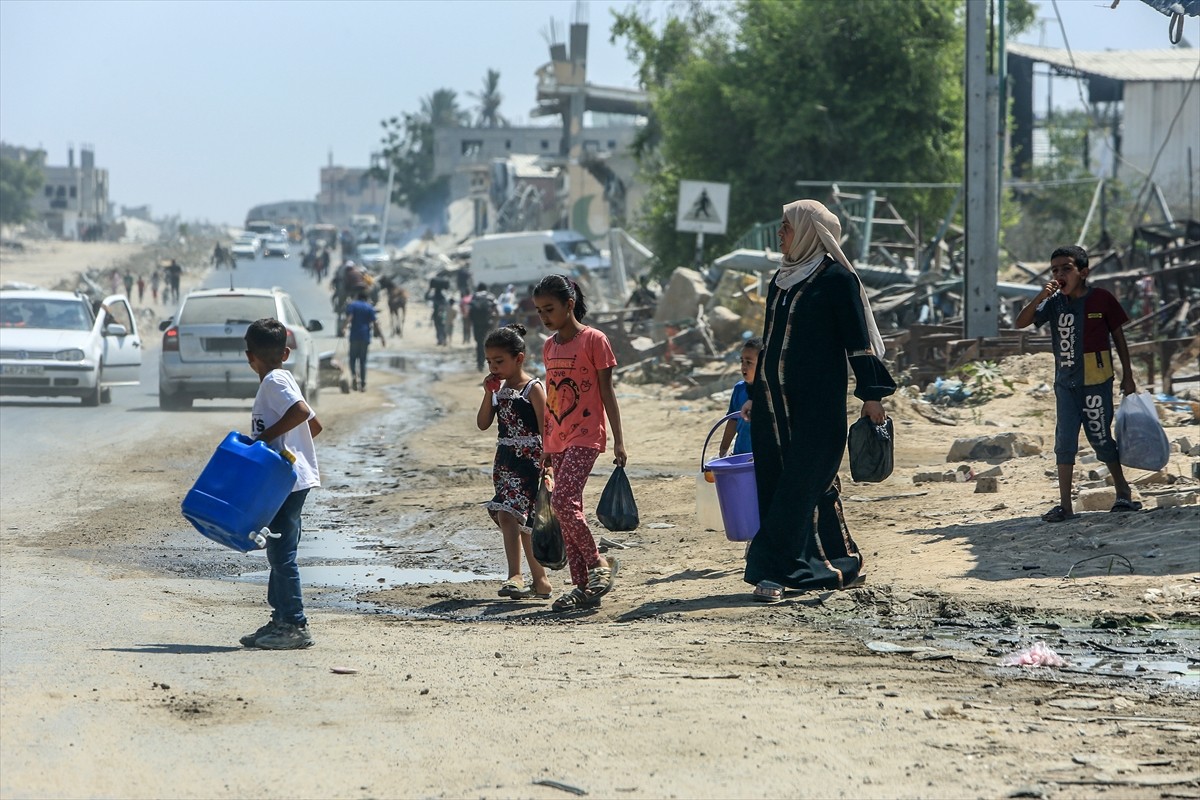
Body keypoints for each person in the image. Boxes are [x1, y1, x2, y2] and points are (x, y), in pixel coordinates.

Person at [742, 199, 896, 602]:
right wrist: (757, 395)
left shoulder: (837, 279)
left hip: (817, 408)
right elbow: (770, 342)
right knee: (787, 486)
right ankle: (840, 560)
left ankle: (771, 572)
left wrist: (872, 396)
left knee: (799, 485)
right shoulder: (781, 280)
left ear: (810, 231)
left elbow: (858, 343)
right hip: (774, 408)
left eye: (786, 227)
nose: (780, 234)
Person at [1014, 245, 1139, 522]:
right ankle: (1065, 506)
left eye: (1066, 269)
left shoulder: (1102, 299)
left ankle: (1123, 493)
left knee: (1101, 437)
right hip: (1065, 384)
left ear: (1083, 272)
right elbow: (1021, 322)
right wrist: (1040, 296)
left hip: (1097, 381)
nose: (1059, 274)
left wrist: (1127, 375)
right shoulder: (1054, 303)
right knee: (1065, 441)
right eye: (1055, 270)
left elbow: (1119, 338)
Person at [533, 274, 626, 612]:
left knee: (564, 500)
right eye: (540, 311)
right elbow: (552, 398)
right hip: (558, 437)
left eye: (550, 309)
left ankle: (598, 563)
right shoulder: (549, 346)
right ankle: (581, 586)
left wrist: (618, 440)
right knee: (566, 509)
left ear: (569, 305)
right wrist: (546, 443)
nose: (544, 317)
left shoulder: (594, 340)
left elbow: (607, 392)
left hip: (587, 434)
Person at [240, 318, 323, 650]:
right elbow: (315, 425)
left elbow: (302, 412)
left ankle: (295, 624)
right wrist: (291, 446)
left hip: (285, 482)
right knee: (278, 551)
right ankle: (280, 619)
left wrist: (264, 441)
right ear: (286, 352)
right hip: (290, 478)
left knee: (282, 554)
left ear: (249, 357)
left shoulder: (273, 381)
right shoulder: (284, 377)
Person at [476, 323, 553, 601]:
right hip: (506, 461)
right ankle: (541, 580)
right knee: (519, 521)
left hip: (530, 461)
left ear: (518, 358)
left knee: (511, 516)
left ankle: (515, 576)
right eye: (489, 362)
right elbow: (484, 423)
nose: (494, 367)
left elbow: (547, 427)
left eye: (499, 361)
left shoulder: (532, 388)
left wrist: (549, 462)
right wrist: (488, 393)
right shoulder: (499, 390)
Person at [718, 337, 764, 458]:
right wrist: (723, 449)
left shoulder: (768, 392)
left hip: (762, 457)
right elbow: (732, 420)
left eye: (749, 362)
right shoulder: (739, 389)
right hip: (740, 454)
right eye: (742, 361)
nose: (744, 366)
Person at [340, 289, 387, 392]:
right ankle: (363, 384)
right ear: (366, 298)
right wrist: (382, 337)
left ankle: (354, 376)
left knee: (352, 359)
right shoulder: (369, 307)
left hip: (354, 336)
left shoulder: (353, 305)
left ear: (357, 296)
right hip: (365, 337)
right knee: (363, 361)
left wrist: (343, 328)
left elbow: (350, 317)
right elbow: (375, 323)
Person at [469, 283, 499, 370]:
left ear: (478, 289)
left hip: (476, 323)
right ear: (486, 288)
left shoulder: (475, 296)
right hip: (487, 322)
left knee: (479, 342)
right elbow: (496, 309)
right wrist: (496, 323)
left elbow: (470, 310)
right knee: (488, 342)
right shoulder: (490, 296)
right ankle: (491, 362)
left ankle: (480, 363)